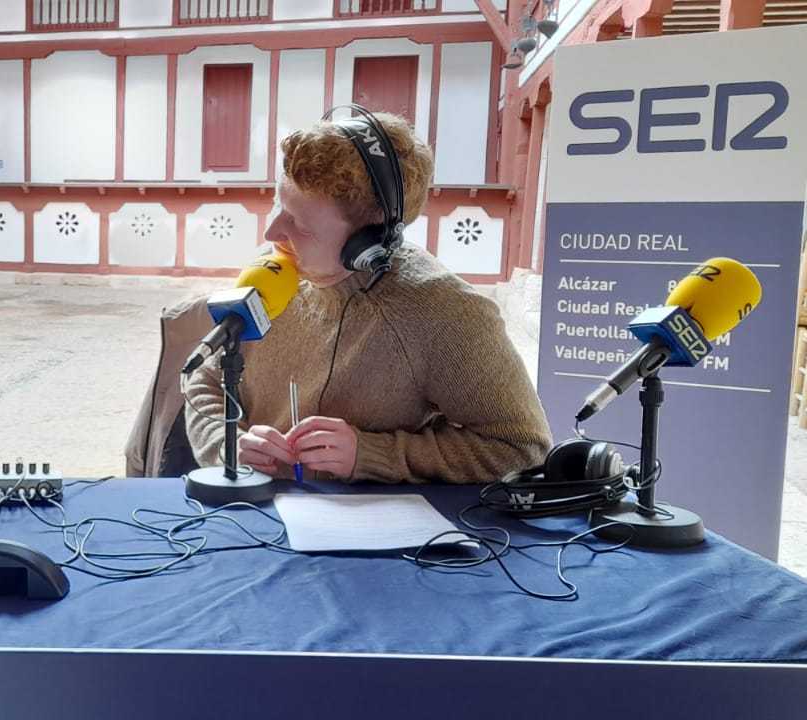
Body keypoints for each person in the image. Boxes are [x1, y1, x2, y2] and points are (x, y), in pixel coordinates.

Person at [184, 112, 550, 485]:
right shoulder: (273, 273)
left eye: (302, 226)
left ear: (367, 245)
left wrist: (372, 453)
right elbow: (205, 384)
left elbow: (521, 448)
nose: (272, 231)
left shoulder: (447, 314)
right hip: (256, 512)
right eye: (279, 207)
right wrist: (227, 442)